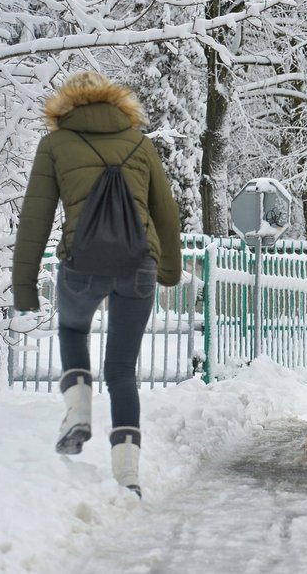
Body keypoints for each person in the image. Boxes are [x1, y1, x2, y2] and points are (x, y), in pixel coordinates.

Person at [12, 71, 181, 498]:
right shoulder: (140, 144)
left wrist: (25, 286)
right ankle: (127, 474)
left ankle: (78, 409)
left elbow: (36, 217)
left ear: (66, 105)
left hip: (83, 265)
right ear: (117, 104)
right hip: (138, 266)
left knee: (72, 329)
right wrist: (169, 271)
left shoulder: (55, 145)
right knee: (122, 370)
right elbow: (166, 213)